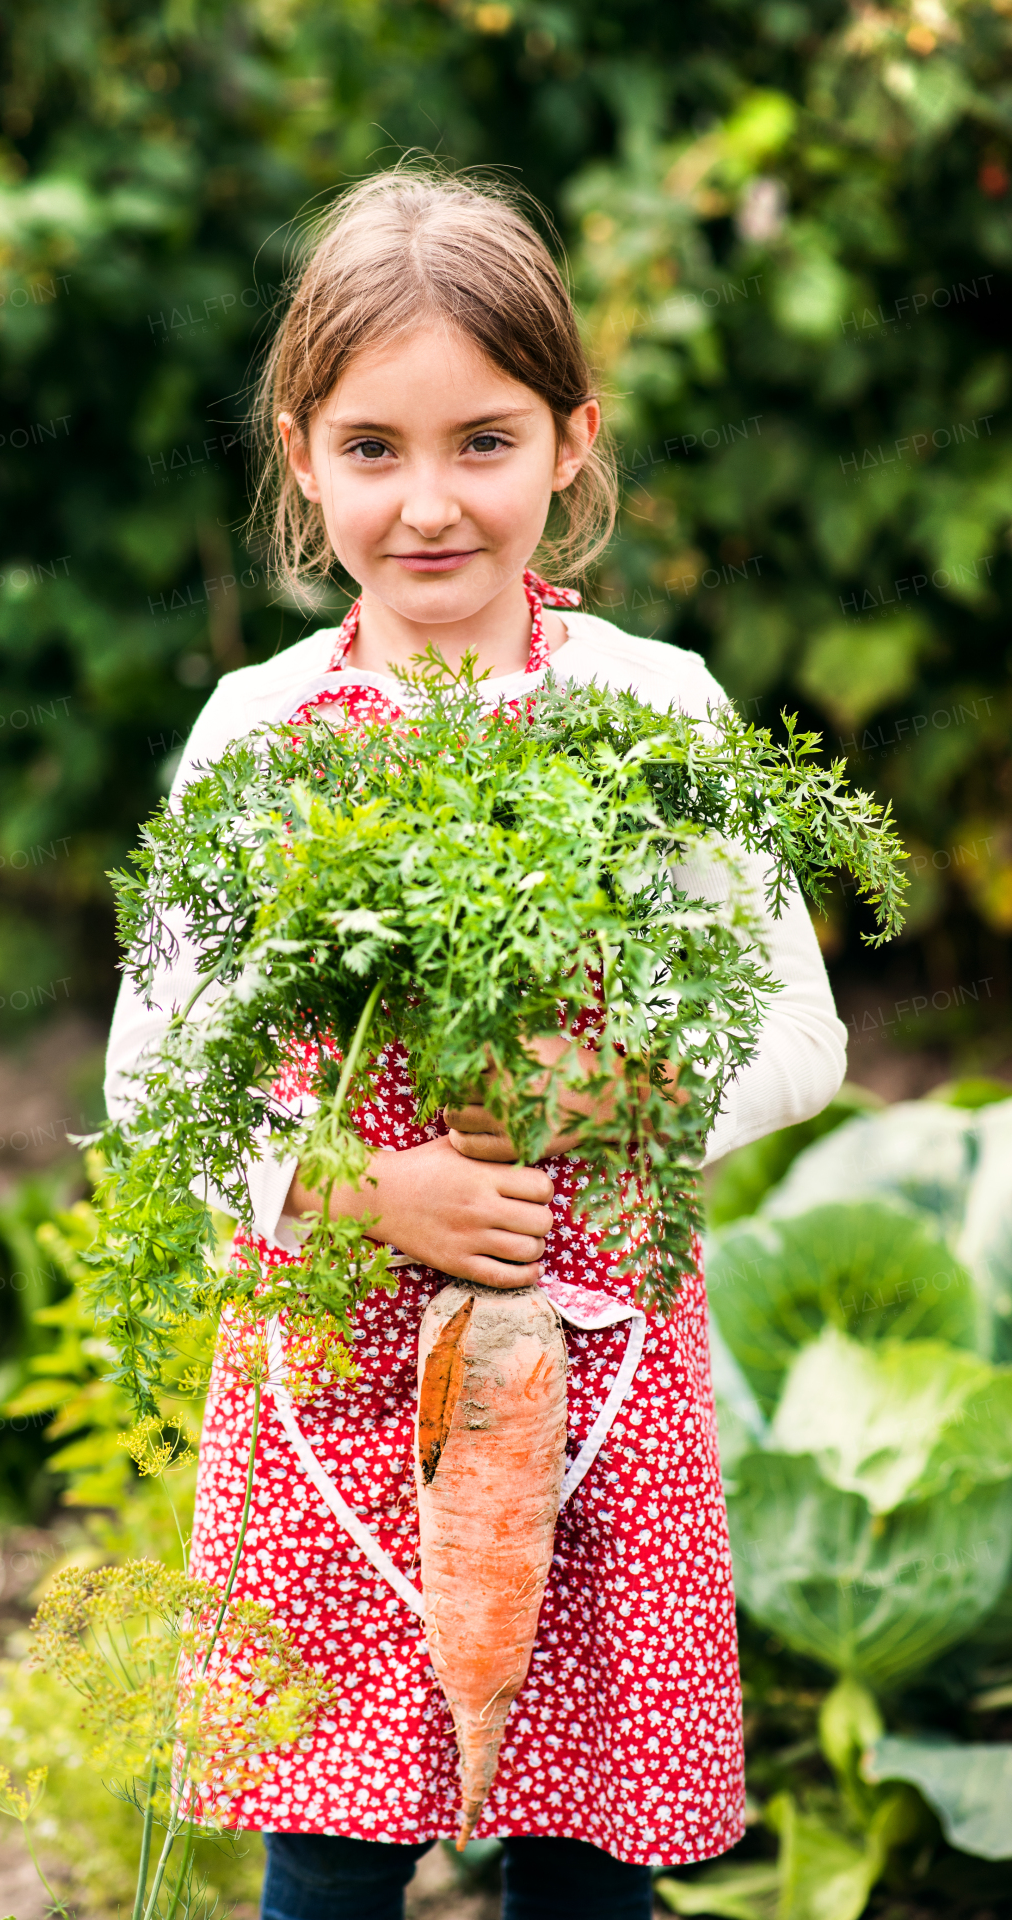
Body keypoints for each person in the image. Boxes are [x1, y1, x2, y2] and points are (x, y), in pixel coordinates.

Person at [105, 167, 846, 1920]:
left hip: (594, 1382)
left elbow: (802, 1036)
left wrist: (633, 1089)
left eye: (484, 443)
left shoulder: (653, 709)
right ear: (301, 455)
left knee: (593, 1869)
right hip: (334, 1370)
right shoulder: (258, 727)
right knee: (331, 1860)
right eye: (373, 449)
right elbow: (154, 1079)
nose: (429, 505)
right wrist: (364, 1191)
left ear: (572, 442)